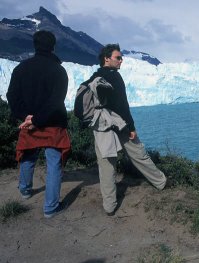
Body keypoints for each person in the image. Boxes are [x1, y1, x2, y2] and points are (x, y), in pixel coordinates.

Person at [86, 44, 167, 216]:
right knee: (138, 154)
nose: (121, 60)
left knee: (106, 165)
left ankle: (109, 206)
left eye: (121, 57)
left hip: (101, 125)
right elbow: (122, 104)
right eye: (118, 57)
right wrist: (131, 127)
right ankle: (161, 182)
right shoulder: (114, 76)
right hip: (119, 123)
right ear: (107, 58)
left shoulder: (94, 76)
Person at [6, 30, 71, 218]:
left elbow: (12, 96)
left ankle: (25, 190)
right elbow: (56, 101)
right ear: (53, 46)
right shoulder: (59, 70)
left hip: (29, 123)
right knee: (53, 164)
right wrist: (37, 120)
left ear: (34, 45)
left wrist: (27, 118)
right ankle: (50, 208)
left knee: (27, 155)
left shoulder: (21, 68)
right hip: (53, 123)